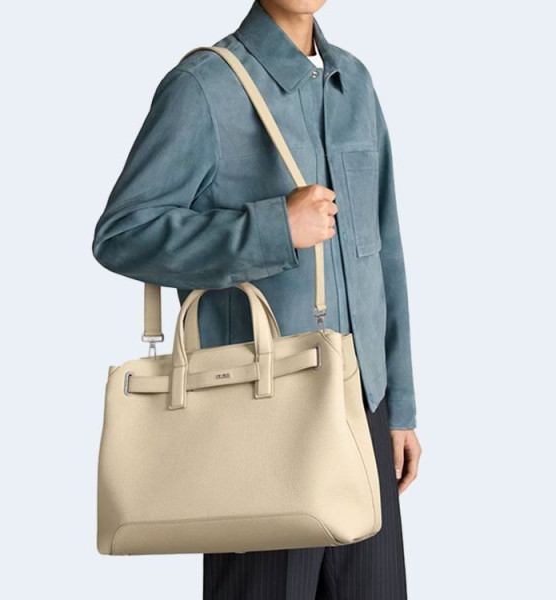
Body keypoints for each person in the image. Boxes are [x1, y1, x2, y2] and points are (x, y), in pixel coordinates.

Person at [92, 0, 422, 597]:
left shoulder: (355, 84)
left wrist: (399, 409)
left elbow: (385, 254)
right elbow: (123, 235)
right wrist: (272, 230)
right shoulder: (204, 87)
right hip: (257, 422)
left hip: (362, 413)